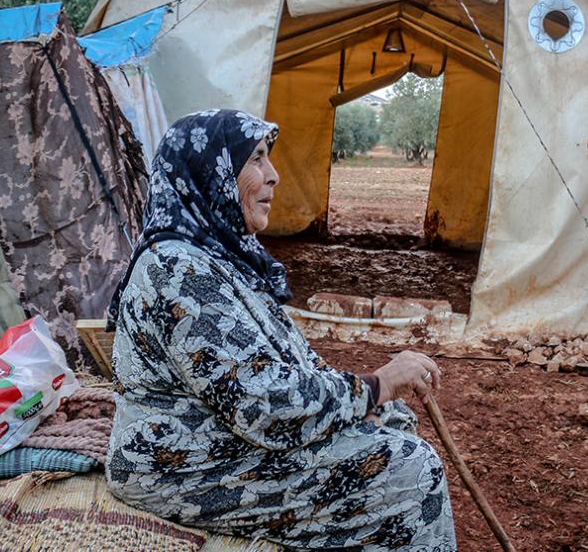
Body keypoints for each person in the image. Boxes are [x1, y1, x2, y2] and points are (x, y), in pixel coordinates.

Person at [105, 109, 456, 550]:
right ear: (211, 172)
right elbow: (261, 403)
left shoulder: (221, 258)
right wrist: (376, 385)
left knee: (393, 421)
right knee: (411, 467)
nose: (272, 175)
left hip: (223, 437)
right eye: (254, 159)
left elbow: (292, 365)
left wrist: (369, 401)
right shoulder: (177, 270)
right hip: (180, 463)